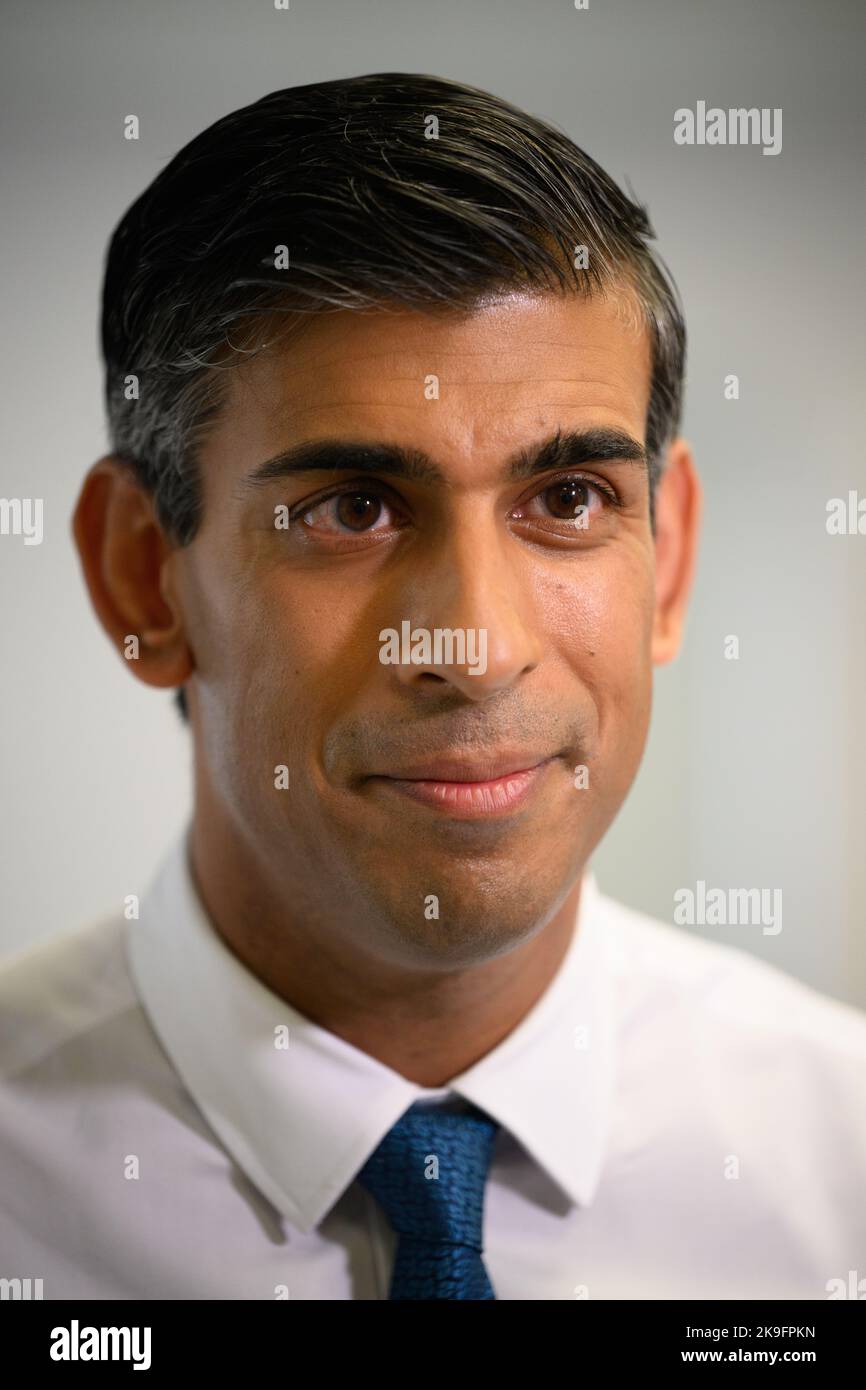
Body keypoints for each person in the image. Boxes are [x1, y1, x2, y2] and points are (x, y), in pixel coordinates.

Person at [1, 72, 864, 1302]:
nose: (473, 645)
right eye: (351, 510)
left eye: (567, 501)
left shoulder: (844, 1167)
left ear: (664, 560)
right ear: (144, 577)